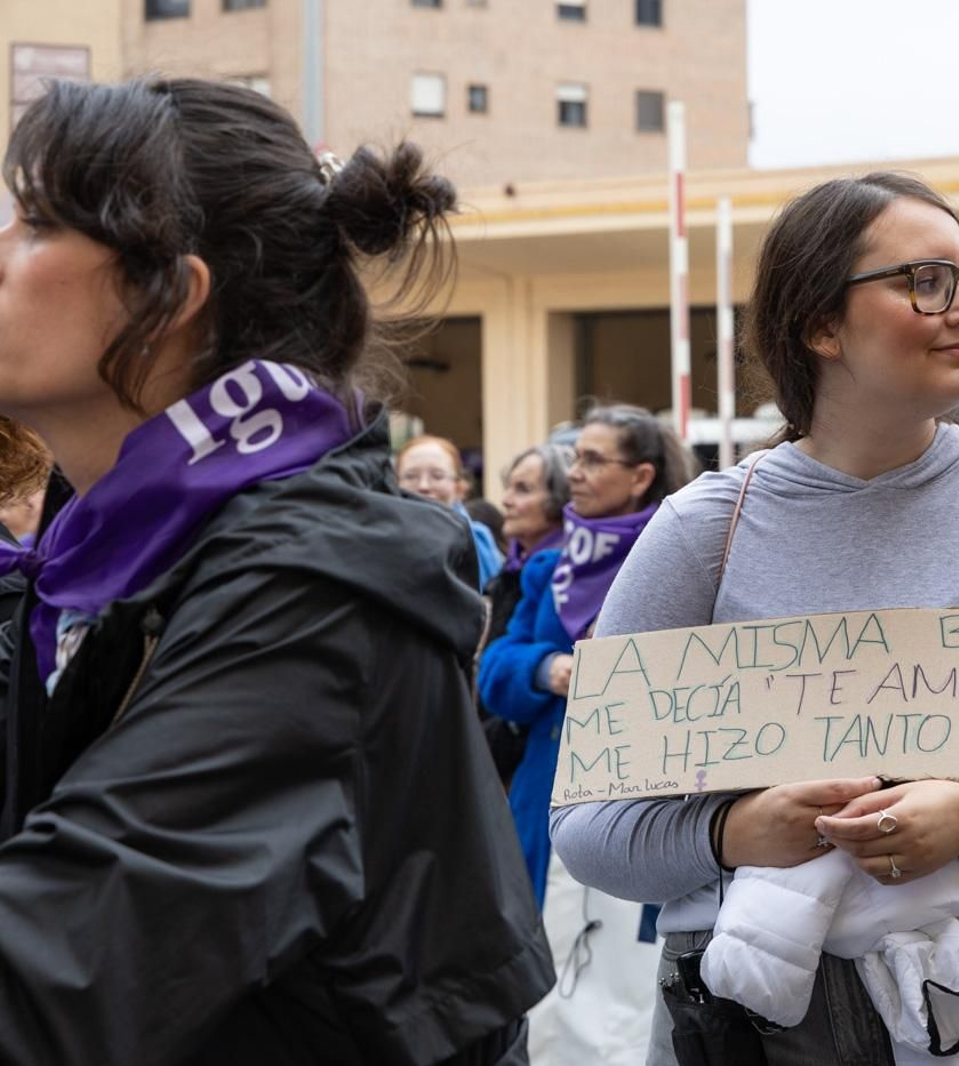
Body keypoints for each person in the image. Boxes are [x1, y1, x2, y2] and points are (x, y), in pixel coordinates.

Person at [551, 172, 959, 1064]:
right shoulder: (702, 531)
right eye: (926, 282)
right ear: (820, 325)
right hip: (743, 1030)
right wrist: (732, 834)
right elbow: (587, 832)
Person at [0, 77, 550, 1063]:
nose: (2, 245)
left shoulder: (310, 594)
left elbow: (60, 968)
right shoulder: (85, 566)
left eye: (35, 222)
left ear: (168, 297)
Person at [479, 405, 693, 908]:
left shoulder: (684, 559)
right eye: (575, 458)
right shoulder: (551, 569)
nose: (574, 473)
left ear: (641, 477)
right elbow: (495, 667)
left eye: (593, 461)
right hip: (549, 795)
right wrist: (548, 669)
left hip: (647, 803)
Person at [479, 442, 573, 787]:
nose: (505, 500)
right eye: (509, 487)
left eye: (523, 489)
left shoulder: (570, 578)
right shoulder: (511, 571)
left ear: (560, 500)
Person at [396, 433, 505, 588]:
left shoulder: (478, 539)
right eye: (411, 476)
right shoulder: (382, 538)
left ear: (459, 487)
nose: (423, 486)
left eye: (437, 476)